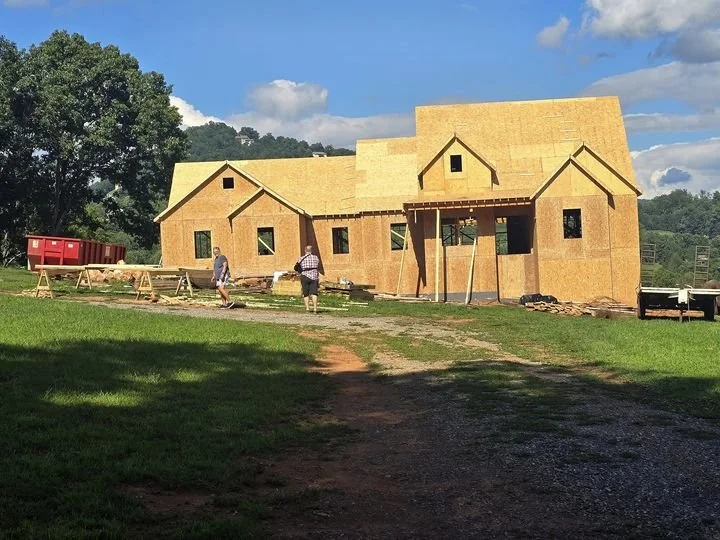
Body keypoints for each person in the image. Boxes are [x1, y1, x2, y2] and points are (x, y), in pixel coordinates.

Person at [296, 245, 320, 313]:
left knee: (305, 293)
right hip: (314, 277)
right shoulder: (316, 258)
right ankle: (315, 309)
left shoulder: (301, 258)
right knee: (314, 293)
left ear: (305, 250)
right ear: (311, 250)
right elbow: (317, 265)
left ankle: (307, 309)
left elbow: (296, 267)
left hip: (305, 276)